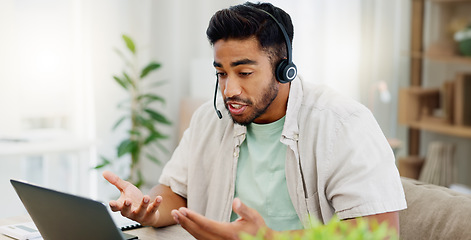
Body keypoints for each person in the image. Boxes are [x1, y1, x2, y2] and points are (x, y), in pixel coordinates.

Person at [103, 2, 407, 239]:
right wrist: (147, 208)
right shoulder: (209, 119)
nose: (229, 89)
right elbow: (175, 191)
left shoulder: (344, 123)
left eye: (244, 73)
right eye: (221, 73)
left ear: (284, 68)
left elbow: (379, 232)